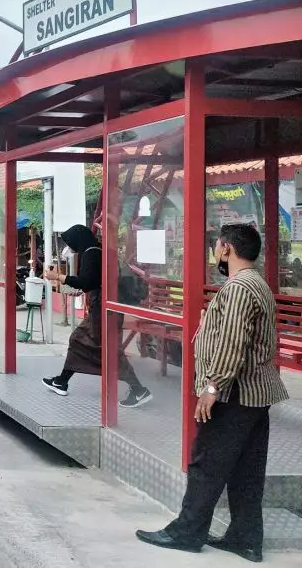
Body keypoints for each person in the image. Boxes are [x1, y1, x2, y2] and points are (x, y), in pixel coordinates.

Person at [136, 223, 289, 560]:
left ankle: (187, 532)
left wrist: (212, 385)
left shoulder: (239, 288)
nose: (215, 251)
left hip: (234, 394)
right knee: (246, 470)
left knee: (206, 463)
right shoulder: (256, 283)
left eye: (217, 245)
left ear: (226, 249)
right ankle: (245, 538)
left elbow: (232, 343)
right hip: (255, 395)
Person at [41, 224, 152, 408]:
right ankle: (62, 381)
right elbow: (95, 281)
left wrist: (58, 277)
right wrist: (81, 289)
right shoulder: (97, 250)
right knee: (79, 340)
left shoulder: (90, 253)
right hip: (104, 308)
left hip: (103, 311)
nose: (69, 247)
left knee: (108, 350)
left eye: (70, 243)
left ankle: (139, 389)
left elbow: (86, 282)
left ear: (78, 240)